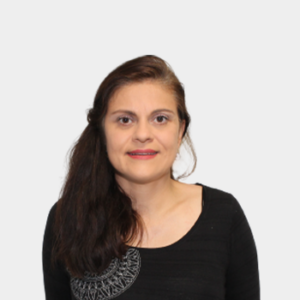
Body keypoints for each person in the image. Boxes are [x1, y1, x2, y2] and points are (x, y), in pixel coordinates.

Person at [42, 55, 260, 300]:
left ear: (180, 131)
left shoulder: (224, 216)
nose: (143, 134)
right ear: (102, 131)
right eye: (125, 120)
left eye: (160, 119)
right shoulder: (69, 217)